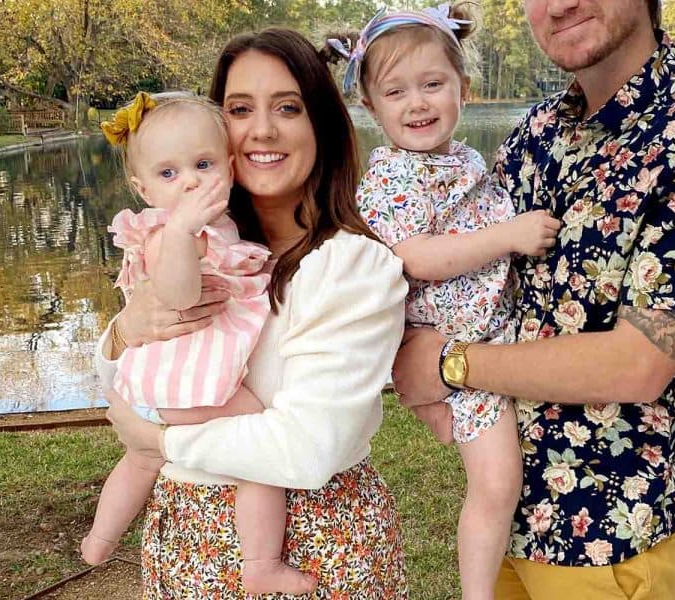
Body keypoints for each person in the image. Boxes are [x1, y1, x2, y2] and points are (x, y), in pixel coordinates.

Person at [392, 0, 675, 598]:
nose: (560, 4)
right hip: (502, 522)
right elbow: (466, 275)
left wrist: (447, 365)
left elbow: (638, 364)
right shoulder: (535, 132)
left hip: (602, 536)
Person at [95, 28, 410, 598]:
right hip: (183, 538)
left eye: (288, 107)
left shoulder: (354, 267)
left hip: (315, 543)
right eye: (240, 109)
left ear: (322, 125)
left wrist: (158, 442)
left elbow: (306, 449)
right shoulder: (197, 244)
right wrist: (124, 331)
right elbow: (135, 377)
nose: (262, 129)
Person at [327, 5, 559, 598]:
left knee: (514, 475)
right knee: (497, 483)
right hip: (456, 347)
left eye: (433, 84)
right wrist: (509, 236)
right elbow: (417, 258)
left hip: (488, 333)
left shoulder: (462, 160)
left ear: (464, 89)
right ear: (370, 106)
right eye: (396, 92)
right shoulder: (392, 178)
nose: (417, 103)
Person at [81, 91, 316, 595]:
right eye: (169, 173)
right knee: (261, 448)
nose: (189, 181)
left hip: (152, 384)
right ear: (142, 188)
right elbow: (180, 295)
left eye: (203, 165)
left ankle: (99, 541)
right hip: (185, 384)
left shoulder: (218, 229)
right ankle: (260, 562)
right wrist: (183, 231)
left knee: (140, 460)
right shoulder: (168, 234)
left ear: (229, 168)